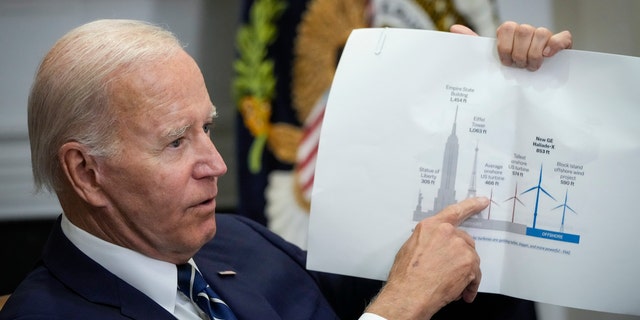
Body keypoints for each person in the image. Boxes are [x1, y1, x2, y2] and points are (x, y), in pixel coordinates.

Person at [0, 19, 571, 319]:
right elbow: (399, 303)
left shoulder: (239, 243)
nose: (217, 164)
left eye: (207, 127)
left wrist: (490, 98)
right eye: (176, 142)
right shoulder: (45, 314)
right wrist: (397, 311)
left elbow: (440, 295)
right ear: (86, 172)